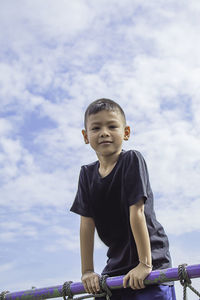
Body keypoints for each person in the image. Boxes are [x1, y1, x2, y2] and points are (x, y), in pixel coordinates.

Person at [70, 98, 176, 300]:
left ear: (126, 132)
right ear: (85, 136)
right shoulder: (86, 174)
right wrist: (87, 271)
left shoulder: (131, 160)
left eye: (112, 126)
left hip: (150, 257)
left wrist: (145, 263)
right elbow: (86, 224)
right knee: (103, 294)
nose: (104, 132)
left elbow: (136, 212)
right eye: (96, 128)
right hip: (117, 262)